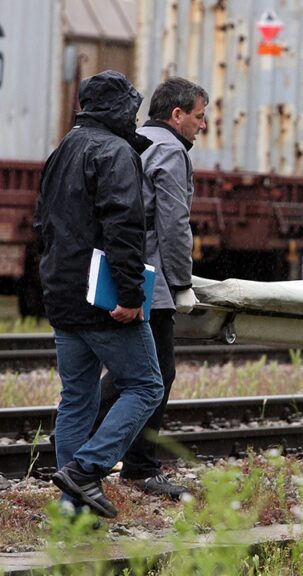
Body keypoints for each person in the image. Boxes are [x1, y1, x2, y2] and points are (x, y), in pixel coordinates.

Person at [33, 70, 164, 518]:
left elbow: (42, 224)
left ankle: (74, 509)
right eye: (132, 108)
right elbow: (123, 228)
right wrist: (130, 295)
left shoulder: (64, 148)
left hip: (61, 291)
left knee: (77, 398)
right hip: (102, 298)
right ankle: (87, 469)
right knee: (146, 385)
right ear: (120, 108)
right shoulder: (116, 152)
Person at [92, 77, 208, 499]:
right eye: (198, 116)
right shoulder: (171, 150)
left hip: (118, 270)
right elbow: (174, 225)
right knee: (156, 373)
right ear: (177, 115)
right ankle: (137, 467)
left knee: (130, 370)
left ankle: (79, 443)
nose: (202, 125)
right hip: (151, 280)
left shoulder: (134, 142)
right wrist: (181, 283)